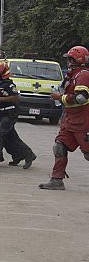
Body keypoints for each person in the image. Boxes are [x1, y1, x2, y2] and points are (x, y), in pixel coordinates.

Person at [40, 46, 89, 190]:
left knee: (88, 153)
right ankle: (57, 180)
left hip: (83, 121)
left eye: (69, 59)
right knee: (59, 146)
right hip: (70, 120)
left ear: (74, 60)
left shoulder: (83, 75)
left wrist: (60, 97)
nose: (67, 62)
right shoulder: (72, 75)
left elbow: (80, 98)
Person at [0, 61, 36, 171]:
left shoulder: (9, 85)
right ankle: (28, 154)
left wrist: (1, 99)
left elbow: (17, 97)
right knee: (11, 137)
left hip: (10, 113)